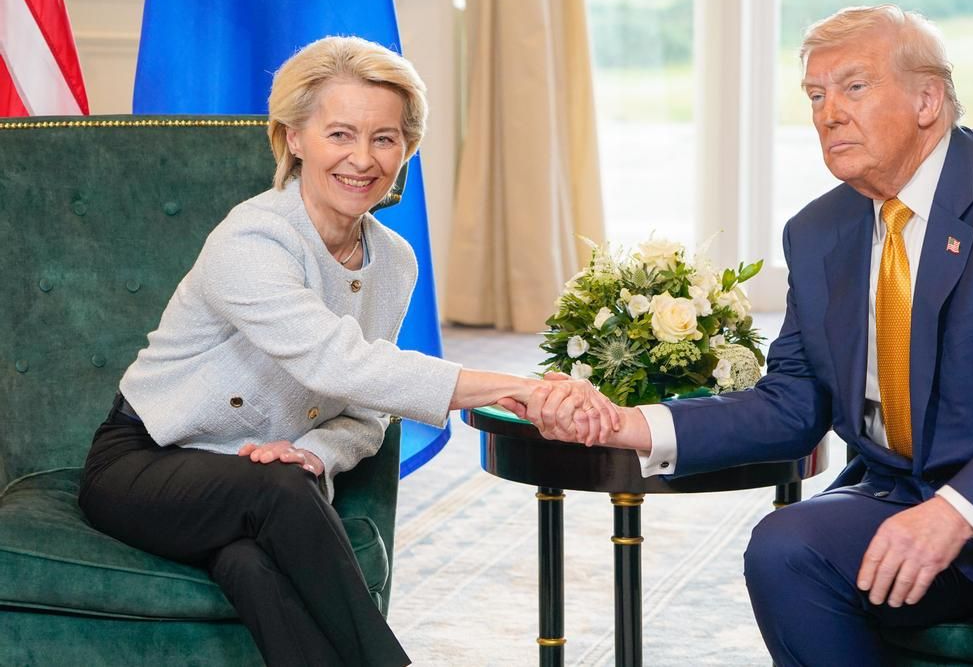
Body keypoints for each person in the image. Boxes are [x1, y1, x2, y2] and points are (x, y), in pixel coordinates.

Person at [518, 5, 973, 666]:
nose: (827, 112)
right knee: (786, 551)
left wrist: (957, 512)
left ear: (928, 100)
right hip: (914, 492)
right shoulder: (819, 232)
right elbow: (791, 403)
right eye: (815, 93)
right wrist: (629, 424)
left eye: (854, 87)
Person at [77, 36, 617, 667]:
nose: (363, 159)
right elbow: (337, 362)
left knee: (250, 563)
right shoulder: (252, 239)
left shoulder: (394, 260)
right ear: (293, 138)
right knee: (277, 496)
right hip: (144, 462)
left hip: (262, 476)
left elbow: (365, 411)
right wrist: (516, 388)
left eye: (385, 138)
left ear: (406, 148)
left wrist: (310, 453)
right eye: (339, 135)